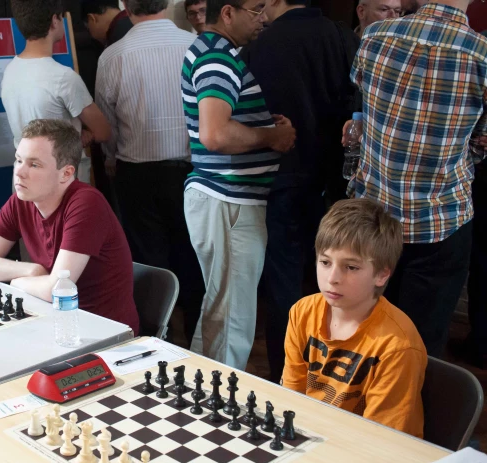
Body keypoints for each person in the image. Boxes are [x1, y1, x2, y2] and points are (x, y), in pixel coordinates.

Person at [347, 0, 487, 358]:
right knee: (420, 348)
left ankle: (359, 410)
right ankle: (406, 412)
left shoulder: (375, 36)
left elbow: (364, 104)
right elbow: (480, 140)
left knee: (364, 334)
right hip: (442, 219)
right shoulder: (481, 54)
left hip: (373, 218)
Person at [240, 0, 358, 382]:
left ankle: (286, 372)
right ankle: (334, 371)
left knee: (284, 284)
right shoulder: (337, 35)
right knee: (333, 279)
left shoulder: (263, 43)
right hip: (331, 179)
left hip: (280, 175)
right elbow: (351, 101)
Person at [181, 0, 296, 368]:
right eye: (256, 9)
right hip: (228, 200)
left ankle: (206, 398)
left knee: (224, 310)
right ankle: (215, 410)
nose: (263, 18)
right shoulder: (218, 57)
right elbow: (214, 134)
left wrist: (263, 127)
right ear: (227, 13)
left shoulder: (216, 52)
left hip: (224, 198)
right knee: (231, 319)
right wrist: (271, 137)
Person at [0, 119, 139, 334]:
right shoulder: (21, 200)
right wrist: (31, 270)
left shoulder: (86, 203)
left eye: (34, 164)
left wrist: (15, 281)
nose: (19, 172)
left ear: (66, 173)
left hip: (101, 333)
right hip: (54, 321)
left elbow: (56, 289)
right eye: (18, 160)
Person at [96, 0, 204, 346]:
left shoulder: (113, 56)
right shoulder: (195, 45)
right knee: (194, 260)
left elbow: (107, 124)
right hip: (193, 170)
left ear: (124, 6)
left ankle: (157, 344)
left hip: (136, 173)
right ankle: (197, 345)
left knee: (150, 264)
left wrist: (112, 157)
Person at [283, 199, 427, 437]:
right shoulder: (302, 312)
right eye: (325, 262)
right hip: (310, 437)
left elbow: (382, 437)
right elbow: (291, 396)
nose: (333, 278)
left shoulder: (397, 346)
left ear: (381, 274)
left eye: (351, 267)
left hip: (369, 452)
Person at [2, 0, 112, 184]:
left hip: (26, 181)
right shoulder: (63, 78)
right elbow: (103, 131)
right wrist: (85, 135)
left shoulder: (10, 71)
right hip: (62, 185)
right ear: (54, 21)